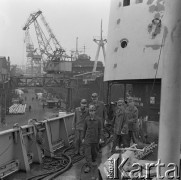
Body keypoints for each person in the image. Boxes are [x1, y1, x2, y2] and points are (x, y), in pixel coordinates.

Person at [82, 104, 102, 177]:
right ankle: (88, 166)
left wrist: (100, 138)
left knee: (94, 153)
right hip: (87, 139)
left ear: (95, 111)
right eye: (90, 111)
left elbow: (100, 130)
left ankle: (93, 161)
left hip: (95, 139)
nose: (92, 112)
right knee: (87, 154)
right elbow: (84, 129)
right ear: (89, 111)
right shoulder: (86, 119)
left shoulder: (99, 120)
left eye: (93, 111)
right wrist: (83, 138)